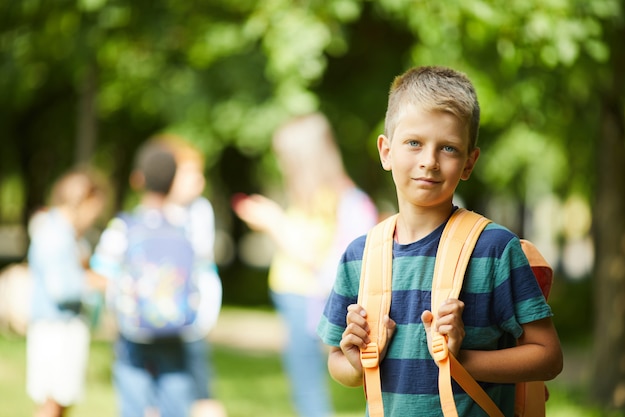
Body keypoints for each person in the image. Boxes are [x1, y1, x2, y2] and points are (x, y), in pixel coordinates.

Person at [316, 66, 563, 416]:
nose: (429, 162)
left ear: (468, 163)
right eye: (413, 143)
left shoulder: (493, 249)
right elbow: (337, 363)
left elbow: (548, 357)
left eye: (448, 148)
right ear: (386, 152)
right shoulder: (360, 256)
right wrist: (357, 362)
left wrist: (461, 361)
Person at [233, 112, 378, 417]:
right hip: (298, 299)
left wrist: (274, 223)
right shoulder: (315, 198)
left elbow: (328, 263)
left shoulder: (339, 200)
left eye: (286, 158)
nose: (283, 165)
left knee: (308, 389)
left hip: (310, 300)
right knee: (305, 388)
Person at [90, 140, 198, 417]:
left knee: (134, 400)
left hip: (133, 331)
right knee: (176, 399)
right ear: (174, 180)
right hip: (176, 328)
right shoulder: (186, 228)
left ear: (137, 180)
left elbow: (101, 273)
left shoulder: (125, 227)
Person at [26, 166, 109, 417]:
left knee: (61, 402)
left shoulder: (67, 234)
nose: (95, 215)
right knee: (52, 402)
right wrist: (95, 282)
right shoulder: (54, 234)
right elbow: (60, 289)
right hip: (56, 329)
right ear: (81, 201)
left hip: (62, 327)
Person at [159, 134, 227, 417]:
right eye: (190, 174)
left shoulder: (199, 211)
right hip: (161, 316)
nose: (198, 181)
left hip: (192, 317)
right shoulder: (156, 212)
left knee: (200, 389)